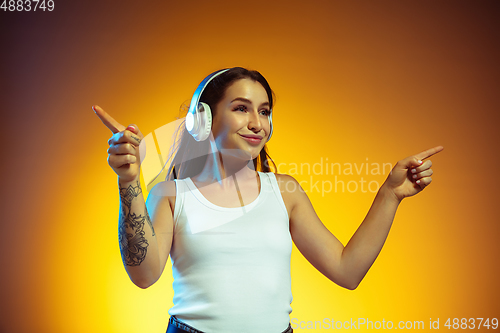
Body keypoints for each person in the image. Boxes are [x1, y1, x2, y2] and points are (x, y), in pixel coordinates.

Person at [93, 67, 443, 333]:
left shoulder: (285, 192)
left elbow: (347, 271)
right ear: (203, 120)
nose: (257, 123)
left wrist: (390, 195)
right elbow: (144, 274)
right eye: (242, 108)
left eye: (264, 111)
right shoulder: (172, 194)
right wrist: (128, 181)